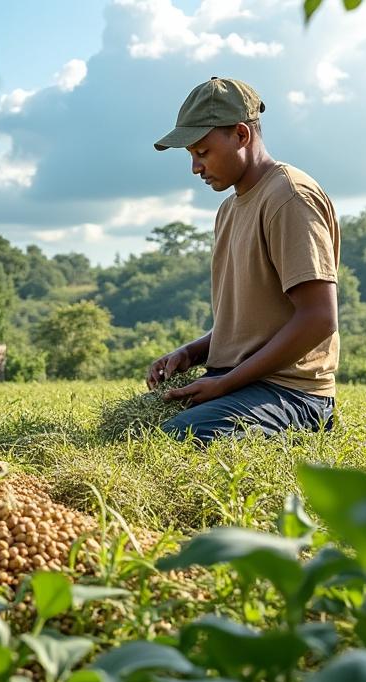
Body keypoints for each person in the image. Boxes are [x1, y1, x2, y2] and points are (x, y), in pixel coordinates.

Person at [148, 77, 340, 445]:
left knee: (176, 437)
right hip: (239, 382)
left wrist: (225, 384)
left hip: (292, 394)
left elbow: (319, 318)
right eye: (190, 155)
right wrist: (191, 352)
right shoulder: (228, 210)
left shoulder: (290, 197)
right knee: (134, 429)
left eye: (202, 153)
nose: (194, 168)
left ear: (240, 135)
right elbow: (250, 323)